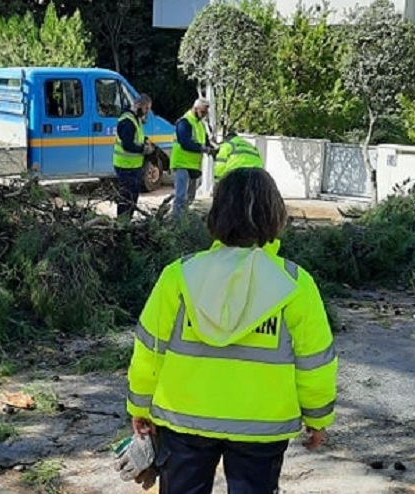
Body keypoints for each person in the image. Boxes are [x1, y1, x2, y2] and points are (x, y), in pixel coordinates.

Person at [126, 167, 338, 494]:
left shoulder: (179, 276)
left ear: (217, 213)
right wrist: (318, 418)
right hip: (261, 426)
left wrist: (140, 408)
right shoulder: (295, 285)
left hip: (184, 421)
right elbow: (315, 363)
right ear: (274, 215)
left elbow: (149, 352)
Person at [170, 98, 216, 219]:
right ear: (195, 109)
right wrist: (204, 149)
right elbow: (185, 142)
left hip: (193, 165)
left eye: (205, 113)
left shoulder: (199, 124)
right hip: (181, 163)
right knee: (180, 196)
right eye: (202, 112)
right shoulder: (184, 122)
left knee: (190, 197)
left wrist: (213, 148)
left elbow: (205, 142)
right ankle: (176, 222)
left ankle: (183, 219)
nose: (204, 115)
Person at [113, 94, 156, 219]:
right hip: (125, 166)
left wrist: (146, 141)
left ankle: (127, 222)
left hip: (133, 166)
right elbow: (127, 145)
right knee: (126, 197)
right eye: (146, 108)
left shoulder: (135, 119)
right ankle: (122, 223)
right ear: (138, 105)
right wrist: (144, 149)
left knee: (132, 197)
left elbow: (137, 138)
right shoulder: (128, 121)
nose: (147, 112)